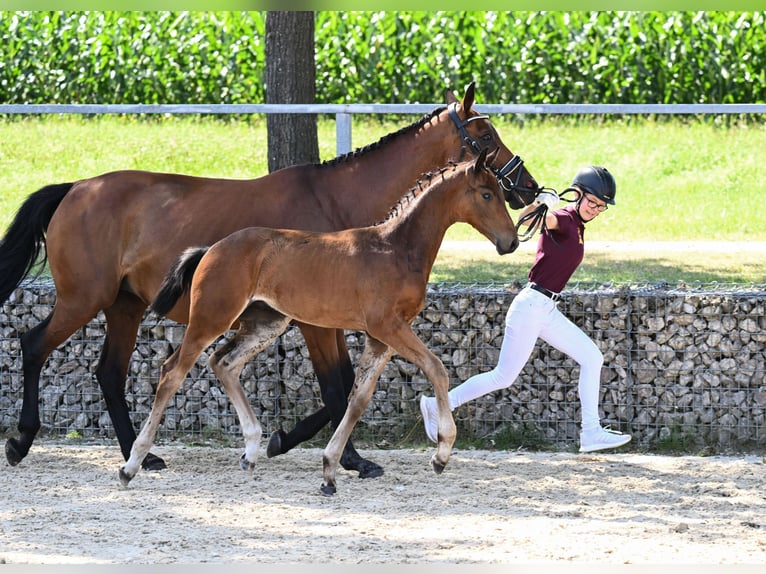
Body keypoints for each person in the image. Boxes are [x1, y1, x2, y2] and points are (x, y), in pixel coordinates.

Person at [420, 165, 632, 453]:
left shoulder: (577, 225)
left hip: (546, 309)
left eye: (602, 207)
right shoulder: (565, 219)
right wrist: (542, 203)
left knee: (592, 358)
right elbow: (529, 219)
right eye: (593, 202)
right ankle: (439, 404)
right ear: (577, 194)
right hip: (532, 306)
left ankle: (591, 432)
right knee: (502, 377)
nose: (596, 209)